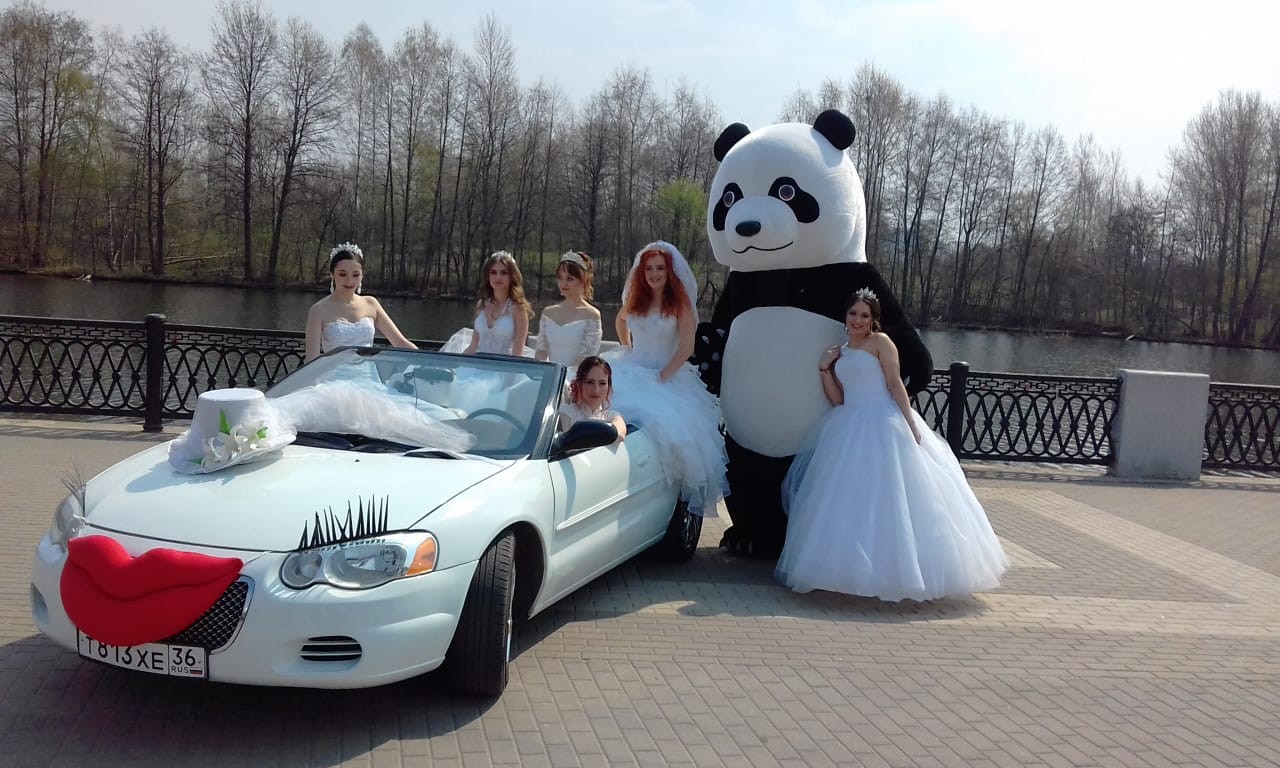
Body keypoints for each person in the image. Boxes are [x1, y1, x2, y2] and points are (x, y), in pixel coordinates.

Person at [776, 288, 1008, 601]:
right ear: (846, 315)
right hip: (847, 424)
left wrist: (910, 422)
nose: (857, 320)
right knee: (847, 499)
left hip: (883, 421)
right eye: (853, 313)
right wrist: (824, 367)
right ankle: (842, 570)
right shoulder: (841, 350)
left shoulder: (881, 343)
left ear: (873, 320)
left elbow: (895, 384)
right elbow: (838, 399)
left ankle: (899, 573)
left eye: (864, 315)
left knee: (893, 497)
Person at [603, 241, 728, 517]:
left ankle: (658, 498)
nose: (654, 274)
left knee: (664, 432)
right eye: (648, 269)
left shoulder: (680, 304)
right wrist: (627, 346)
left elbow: (687, 347)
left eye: (659, 268)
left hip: (668, 375)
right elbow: (621, 320)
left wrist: (662, 376)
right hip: (633, 368)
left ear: (669, 271)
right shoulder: (636, 299)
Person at [304, 242, 417, 363]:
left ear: (362, 275)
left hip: (368, 373)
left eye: (355, 275)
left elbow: (400, 342)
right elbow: (312, 359)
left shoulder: (371, 304)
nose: (349, 281)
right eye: (342, 274)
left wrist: (429, 363)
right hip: (334, 374)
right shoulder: (318, 310)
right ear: (332, 274)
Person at [441, 251, 534, 357]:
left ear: (512, 276)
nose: (498, 277)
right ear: (488, 276)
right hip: (478, 362)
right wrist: (458, 362)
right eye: (493, 272)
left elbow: (517, 353)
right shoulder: (482, 304)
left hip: (505, 364)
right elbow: (473, 347)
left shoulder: (518, 308)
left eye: (503, 273)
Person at [534, 251, 603, 369]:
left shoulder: (591, 315)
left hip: (576, 375)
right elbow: (541, 351)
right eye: (560, 278)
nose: (563, 283)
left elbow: (587, 356)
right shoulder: (548, 313)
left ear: (584, 280)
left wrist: (566, 376)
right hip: (550, 374)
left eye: (570, 279)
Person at [558, 356, 626, 441]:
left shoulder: (611, 416)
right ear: (579, 384)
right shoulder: (565, 413)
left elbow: (620, 434)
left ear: (608, 387)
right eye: (590, 382)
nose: (596, 390)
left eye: (602, 383)